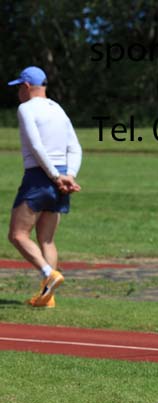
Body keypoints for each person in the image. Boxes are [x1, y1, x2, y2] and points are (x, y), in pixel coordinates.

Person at [7, 66, 82, 308]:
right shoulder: (58, 109)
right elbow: (75, 147)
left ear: (27, 87)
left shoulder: (25, 108)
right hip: (60, 177)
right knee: (47, 240)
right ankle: (47, 297)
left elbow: (36, 146)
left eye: (19, 86)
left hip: (39, 177)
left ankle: (48, 273)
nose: (18, 91)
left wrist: (53, 176)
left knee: (17, 235)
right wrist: (68, 175)